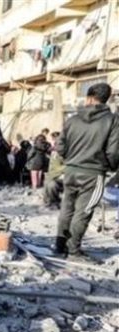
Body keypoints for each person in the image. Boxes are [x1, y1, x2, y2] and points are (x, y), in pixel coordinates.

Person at [54, 83, 119, 257]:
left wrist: (71, 159)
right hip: (93, 173)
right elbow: (113, 151)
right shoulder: (113, 120)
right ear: (107, 99)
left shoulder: (72, 119)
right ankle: (73, 250)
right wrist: (110, 167)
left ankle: (59, 246)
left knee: (67, 208)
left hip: (70, 171)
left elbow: (60, 146)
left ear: (89, 98)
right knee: (84, 211)